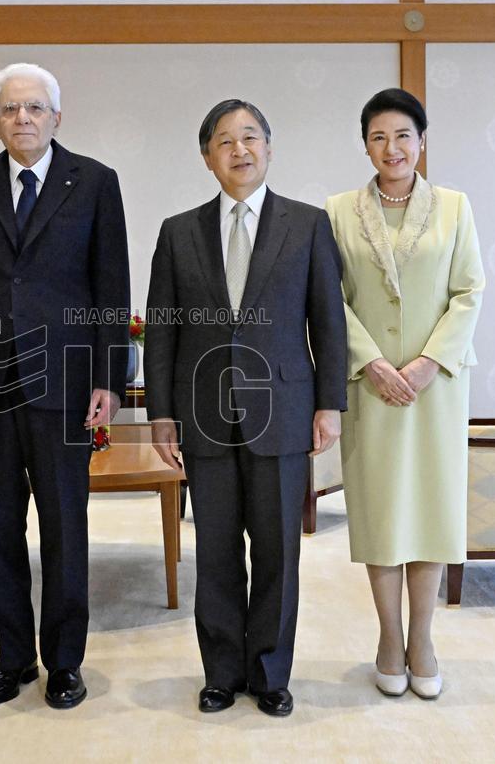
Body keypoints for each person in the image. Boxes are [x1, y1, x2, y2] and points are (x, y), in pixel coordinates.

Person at [0, 63, 129, 709]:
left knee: (65, 526)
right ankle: (12, 658)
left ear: (56, 118)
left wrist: (110, 379)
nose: (24, 118)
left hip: (65, 382)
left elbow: (111, 287)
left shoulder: (95, 182)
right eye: (11, 109)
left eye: (35, 107)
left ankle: (64, 662)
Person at [144, 99, 347, 716]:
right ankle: (221, 672)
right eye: (226, 141)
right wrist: (161, 413)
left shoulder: (307, 224)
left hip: (282, 409)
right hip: (203, 413)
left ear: (269, 148)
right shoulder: (178, 232)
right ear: (207, 158)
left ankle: (271, 673)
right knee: (216, 551)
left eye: (251, 137)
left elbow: (328, 321)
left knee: (278, 550)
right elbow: (162, 328)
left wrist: (330, 403)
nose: (240, 150)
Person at [325, 88, 484, 700]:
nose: (391, 148)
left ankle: (423, 639)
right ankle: (389, 638)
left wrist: (426, 364)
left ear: (421, 141)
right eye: (378, 137)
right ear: (365, 145)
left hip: (434, 389)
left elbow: (468, 291)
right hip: (371, 388)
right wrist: (370, 363)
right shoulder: (338, 212)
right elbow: (331, 299)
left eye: (402, 136)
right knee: (382, 512)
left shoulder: (455, 207)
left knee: (431, 510)